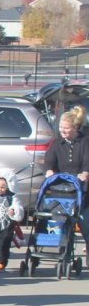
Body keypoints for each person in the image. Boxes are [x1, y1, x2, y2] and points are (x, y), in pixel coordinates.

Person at [44, 110, 89, 258]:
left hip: (82, 190)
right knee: (54, 218)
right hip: (61, 189)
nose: (62, 130)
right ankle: (52, 246)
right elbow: (49, 162)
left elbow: (87, 164)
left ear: (75, 128)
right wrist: (49, 171)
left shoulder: (85, 142)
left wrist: (85, 174)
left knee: (84, 222)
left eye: (66, 127)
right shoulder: (57, 143)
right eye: (61, 127)